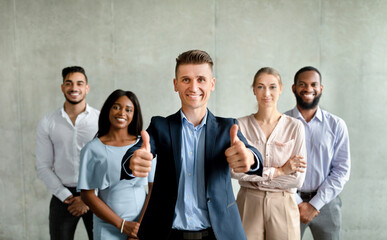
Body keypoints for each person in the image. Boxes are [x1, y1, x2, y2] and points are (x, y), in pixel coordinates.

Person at [120, 49, 263, 240]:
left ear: (212, 84)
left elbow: (252, 155)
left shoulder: (227, 127)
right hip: (167, 234)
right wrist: (133, 160)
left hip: (218, 234)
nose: (193, 87)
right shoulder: (160, 126)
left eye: (201, 79)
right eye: (186, 79)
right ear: (176, 84)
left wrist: (250, 158)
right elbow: (137, 151)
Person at [232, 67, 307, 240]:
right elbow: (235, 172)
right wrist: (279, 171)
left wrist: (255, 175)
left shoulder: (295, 126)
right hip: (248, 202)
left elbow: (297, 178)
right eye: (260, 86)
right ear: (253, 90)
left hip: (284, 203)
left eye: (272, 87)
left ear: (281, 89)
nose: (266, 93)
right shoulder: (240, 125)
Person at [77, 89, 155, 240]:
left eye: (128, 109)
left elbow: (153, 189)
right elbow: (87, 195)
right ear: (108, 110)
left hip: (140, 226)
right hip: (107, 227)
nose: (122, 113)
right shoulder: (92, 149)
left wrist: (139, 227)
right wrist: (122, 225)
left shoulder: (144, 145)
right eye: (116, 107)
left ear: (134, 114)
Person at [285, 66, 351, 240]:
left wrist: (314, 204)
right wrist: (299, 203)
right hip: (289, 202)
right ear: (294, 88)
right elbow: (276, 167)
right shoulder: (281, 123)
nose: (308, 89)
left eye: (314, 84)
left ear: (321, 89)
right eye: (302, 84)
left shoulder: (336, 125)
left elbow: (341, 170)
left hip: (327, 204)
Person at [36, 66, 99, 240]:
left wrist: (87, 198)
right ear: (62, 87)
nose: (74, 88)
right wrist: (67, 196)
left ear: (87, 88)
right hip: (63, 196)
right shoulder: (48, 122)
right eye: (69, 83)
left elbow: (106, 164)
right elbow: (43, 166)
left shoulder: (100, 121)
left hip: (95, 194)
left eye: (80, 83)